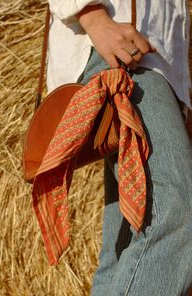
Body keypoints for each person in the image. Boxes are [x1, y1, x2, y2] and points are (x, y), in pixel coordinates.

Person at [46, 1, 192, 295]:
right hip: (119, 53)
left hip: (156, 62)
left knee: (127, 243)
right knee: (176, 215)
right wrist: (93, 18)